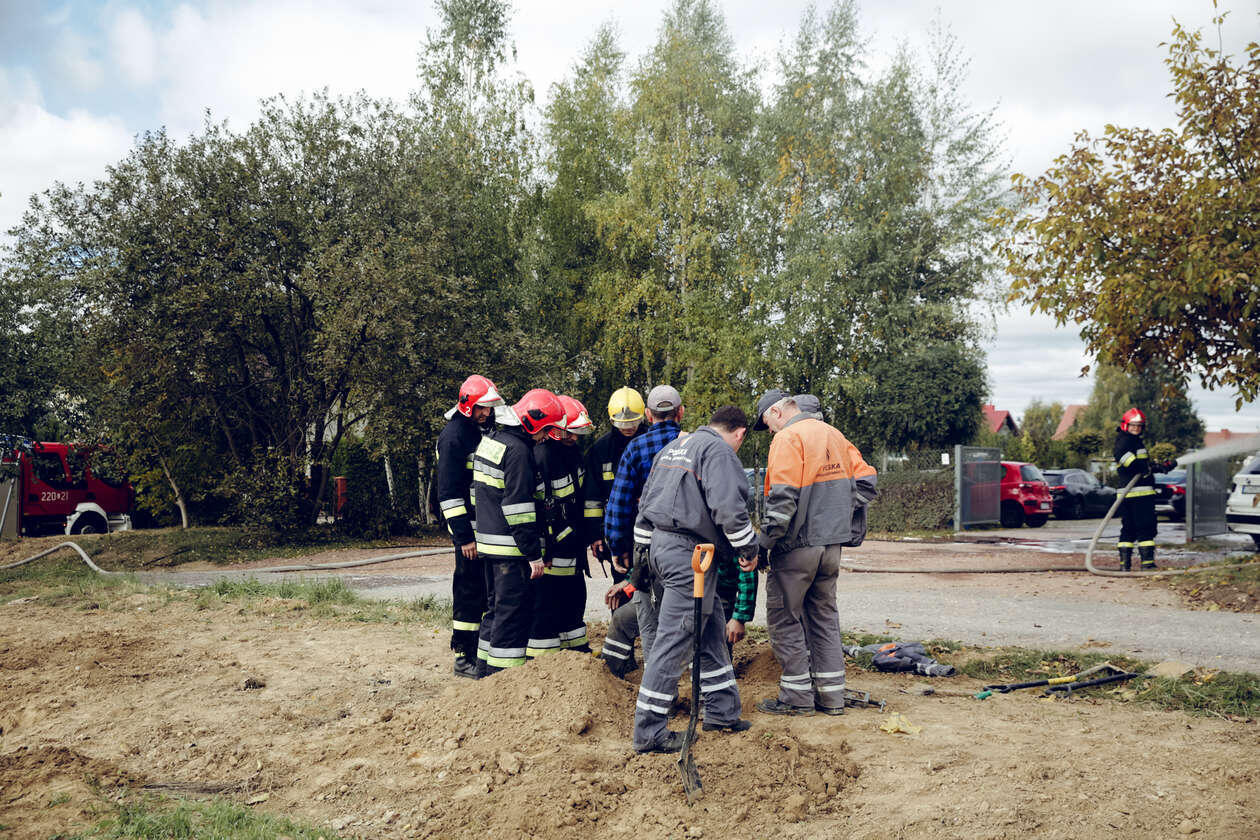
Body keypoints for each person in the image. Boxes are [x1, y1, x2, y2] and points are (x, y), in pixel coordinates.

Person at [631, 406, 758, 754]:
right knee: (674, 639)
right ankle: (649, 731)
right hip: (688, 553)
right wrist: (748, 550)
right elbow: (729, 509)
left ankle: (721, 711)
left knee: (711, 628)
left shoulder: (673, 447)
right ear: (740, 433)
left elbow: (645, 505)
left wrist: (641, 557)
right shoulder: (718, 452)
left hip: (664, 547)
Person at [751, 390, 877, 716]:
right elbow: (867, 480)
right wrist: (837, 513)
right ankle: (831, 698)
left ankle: (796, 699)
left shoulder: (788, 438)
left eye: (767, 424)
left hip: (797, 547)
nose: (770, 432)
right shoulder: (833, 434)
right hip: (832, 546)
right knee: (824, 618)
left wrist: (764, 544)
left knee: (784, 618)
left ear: (777, 412)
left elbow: (782, 500)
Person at [472, 388, 566, 676]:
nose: (546, 437)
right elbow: (518, 509)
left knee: (494, 611)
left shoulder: (492, 441)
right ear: (532, 423)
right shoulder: (519, 452)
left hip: (489, 543)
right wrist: (533, 554)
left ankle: (482, 672)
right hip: (511, 549)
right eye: (546, 429)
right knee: (512, 616)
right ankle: (503, 679)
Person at [604, 385, 684, 660]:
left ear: (649, 415)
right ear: (680, 412)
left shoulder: (636, 449)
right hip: (688, 547)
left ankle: (655, 672)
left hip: (648, 546)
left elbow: (619, 504)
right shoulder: (694, 445)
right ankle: (688, 668)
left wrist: (618, 549)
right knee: (684, 608)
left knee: (648, 613)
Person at [434, 374, 504, 678]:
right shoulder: (454, 437)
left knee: (485, 590)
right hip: (469, 533)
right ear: (466, 406)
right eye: (481, 408)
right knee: (468, 589)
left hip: (484, 527)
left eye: (489, 408)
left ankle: (480, 651)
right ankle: (463, 655)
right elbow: (448, 494)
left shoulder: (478, 430)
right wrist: (464, 537)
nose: (487, 413)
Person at [584, 387, 647, 676]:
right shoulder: (600, 451)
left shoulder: (651, 442)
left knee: (651, 589)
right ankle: (624, 656)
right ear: (611, 420)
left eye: (633, 422)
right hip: (618, 535)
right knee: (620, 589)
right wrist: (595, 535)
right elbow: (592, 499)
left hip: (649, 530)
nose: (628, 427)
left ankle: (653, 647)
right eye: (623, 423)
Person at [528, 395, 594, 658]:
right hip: (552, 550)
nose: (574, 437)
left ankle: (575, 651)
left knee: (574, 599)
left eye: (577, 433)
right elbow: (537, 510)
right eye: (569, 432)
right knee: (546, 603)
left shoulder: (573, 454)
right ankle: (544, 658)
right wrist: (543, 549)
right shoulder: (541, 456)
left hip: (571, 546)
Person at [1114, 407, 1157, 571]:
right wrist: (1145, 467)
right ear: (1126, 425)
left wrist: (1158, 466)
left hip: (1127, 493)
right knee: (1145, 527)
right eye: (1133, 425)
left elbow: (1141, 463)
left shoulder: (1132, 440)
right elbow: (1126, 459)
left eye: (1139, 426)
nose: (1136, 428)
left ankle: (1125, 565)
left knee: (1129, 528)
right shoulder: (1125, 440)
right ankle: (1147, 564)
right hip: (1139, 493)